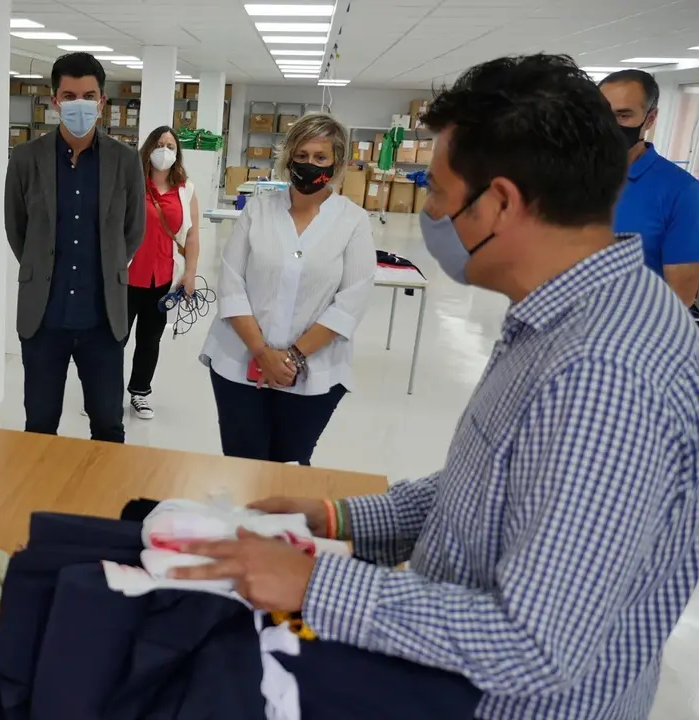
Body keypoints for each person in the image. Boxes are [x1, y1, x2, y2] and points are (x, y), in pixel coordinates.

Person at [175, 54, 699, 718]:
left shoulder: (604, 376)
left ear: (500, 204)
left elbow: (532, 646)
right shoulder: (557, 321)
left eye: (439, 195)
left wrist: (314, 583)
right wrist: (338, 517)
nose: (427, 215)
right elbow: (482, 493)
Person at [199, 113, 374, 464]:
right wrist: (263, 352)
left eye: (321, 157)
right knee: (242, 462)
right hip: (240, 361)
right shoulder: (258, 211)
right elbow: (231, 283)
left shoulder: (353, 220)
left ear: (336, 163)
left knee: (289, 465)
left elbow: (351, 301)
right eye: (303, 155)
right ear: (289, 158)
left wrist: (292, 357)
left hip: (313, 370)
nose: (310, 165)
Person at [4, 52, 146, 443]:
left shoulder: (125, 160)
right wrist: (41, 266)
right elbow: (17, 229)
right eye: (69, 95)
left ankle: (104, 503)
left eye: (88, 95)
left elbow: (133, 230)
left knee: (107, 424)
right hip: (44, 319)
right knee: (39, 425)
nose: (78, 104)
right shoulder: (26, 159)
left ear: (102, 102)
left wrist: (109, 265)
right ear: (54, 101)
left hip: (103, 320)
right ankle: (39, 500)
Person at [599, 69, 699, 307]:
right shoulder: (566, 177)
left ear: (651, 119)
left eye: (623, 116)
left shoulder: (683, 193)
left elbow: (678, 299)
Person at [124, 125, 198, 420]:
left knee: (149, 339)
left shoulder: (186, 189)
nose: (164, 151)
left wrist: (190, 272)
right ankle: (100, 391)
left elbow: (191, 236)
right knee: (114, 338)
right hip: (127, 275)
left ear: (177, 152)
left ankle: (139, 393)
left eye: (170, 145)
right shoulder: (132, 183)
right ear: (148, 148)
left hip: (162, 277)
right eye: (159, 144)